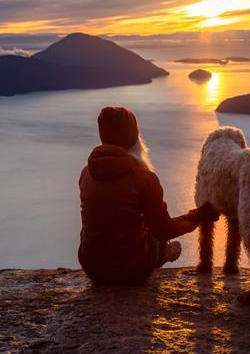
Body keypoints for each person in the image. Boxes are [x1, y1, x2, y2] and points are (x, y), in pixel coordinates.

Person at [78, 106, 215, 285]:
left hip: (92, 266)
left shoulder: (86, 173)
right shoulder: (143, 178)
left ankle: (161, 250)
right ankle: (166, 251)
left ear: (102, 134)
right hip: (132, 269)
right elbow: (163, 229)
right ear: (133, 136)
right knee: (152, 228)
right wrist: (198, 215)